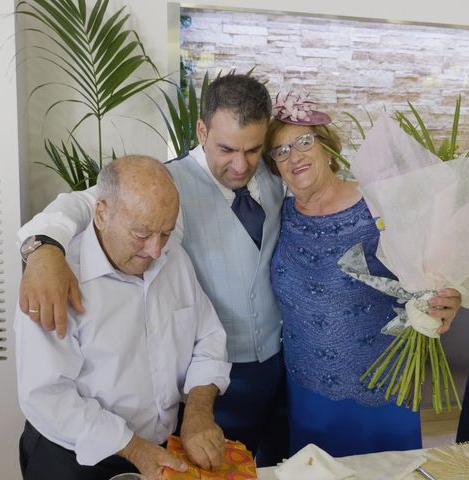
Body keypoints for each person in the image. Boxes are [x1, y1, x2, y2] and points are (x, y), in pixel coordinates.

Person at [16, 75, 288, 466]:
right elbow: (81, 204)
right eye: (226, 148)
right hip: (87, 449)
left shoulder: (272, 179)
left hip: (244, 375)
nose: (240, 165)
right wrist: (43, 248)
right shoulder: (158, 185)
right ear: (201, 131)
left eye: (252, 150)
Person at [262, 92, 462, 457]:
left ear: (325, 145)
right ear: (274, 165)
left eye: (304, 141)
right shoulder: (279, 216)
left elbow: (431, 278)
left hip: (382, 388)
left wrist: (444, 301)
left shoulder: (378, 205)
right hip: (308, 393)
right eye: (281, 151)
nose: (295, 156)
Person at [15, 156, 231, 480]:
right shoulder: (55, 279)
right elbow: (47, 396)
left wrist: (198, 411)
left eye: (166, 233)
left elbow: (209, 337)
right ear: (101, 213)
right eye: (141, 234)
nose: (156, 251)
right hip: (75, 461)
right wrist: (134, 449)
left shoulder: (174, 259)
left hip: (161, 452)